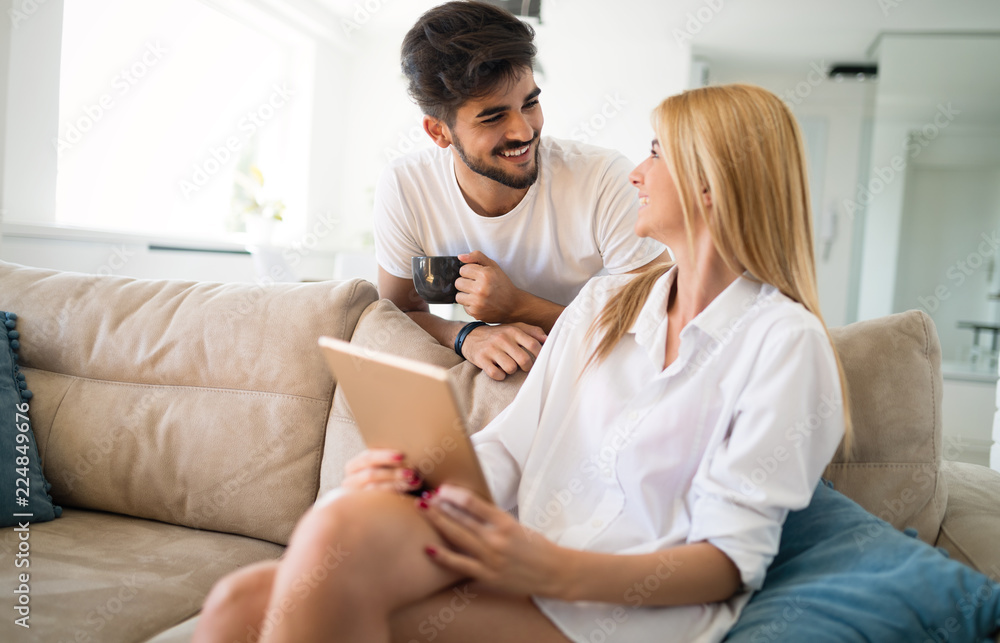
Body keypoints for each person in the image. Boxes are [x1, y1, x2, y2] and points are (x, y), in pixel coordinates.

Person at [192, 83, 852, 643]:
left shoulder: (783, 344)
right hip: (516, 555)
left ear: (713, 182)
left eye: (656, 153)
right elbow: (514, 447)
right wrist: (418, 475)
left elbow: (731, 560)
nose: (636, 173)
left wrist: (546, 567)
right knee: (239, 599)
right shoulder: (607, 303)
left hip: (625, 611)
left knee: (299, 586)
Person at [375, 0, 668, 381]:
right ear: (439, 131)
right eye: (494, 117)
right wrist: (466, 335)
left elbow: (663, 318)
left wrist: (518, 305)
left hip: (592, 371)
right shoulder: (406, 186)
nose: (524, 131)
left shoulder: (602, 177)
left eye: (530, 103)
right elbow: (397, 315)